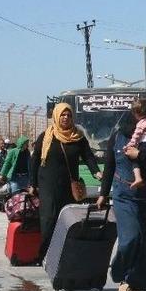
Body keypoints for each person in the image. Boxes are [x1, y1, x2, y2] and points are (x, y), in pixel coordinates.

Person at [97, 112, 146, 291]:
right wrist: (103, 194)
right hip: (124, 195)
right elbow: (109, 166)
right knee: (131, 237)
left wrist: (140, 154)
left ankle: (136, 283)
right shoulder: (118, 136)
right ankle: (120, 272)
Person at [30, 103, 102, 261]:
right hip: (48, 184)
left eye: (69, 115)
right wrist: (32, 183)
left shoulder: (78, 137)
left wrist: (96, 171)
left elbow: (88, 156)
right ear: (56, 116)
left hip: (69, 186)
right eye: (62, 115)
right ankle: (45, 254)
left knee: (66, 220)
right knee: (49, 219)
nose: (66, 118)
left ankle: (62, 253)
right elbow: (35, 160)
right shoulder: (47, 136)